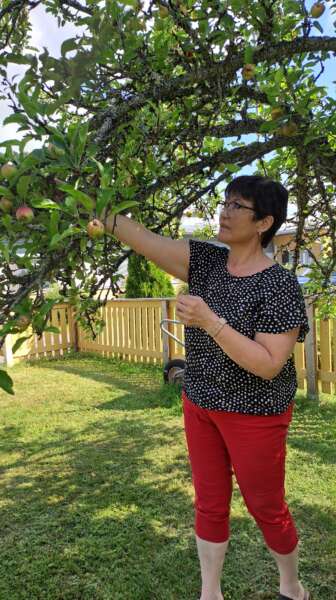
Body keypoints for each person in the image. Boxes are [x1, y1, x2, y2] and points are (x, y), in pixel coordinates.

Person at [104, 174, 311, 600]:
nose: (225, 211)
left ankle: (291, 585)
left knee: (266, 506)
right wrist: (92, 208)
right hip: (201, 402)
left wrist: (209, 322)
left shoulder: (280, 285)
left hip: (256, 414)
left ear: (264, 222)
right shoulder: (205, 262)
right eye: (226, 202)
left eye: (239, 206)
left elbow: (270, 365)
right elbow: (142, 239)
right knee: (210, 501)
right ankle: (209, 591)